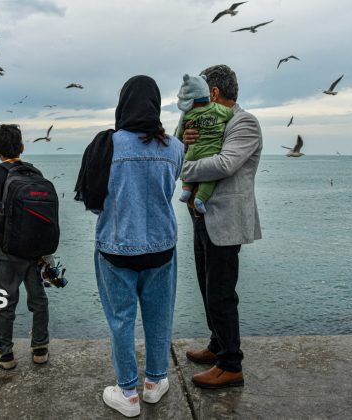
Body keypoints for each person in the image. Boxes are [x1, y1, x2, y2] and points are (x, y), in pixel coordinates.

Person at [75, 75, 183, 417]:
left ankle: (127, 393)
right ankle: (154, 384)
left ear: (123, 103)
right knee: (159, 317)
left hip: (115, 248)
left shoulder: (106, 145)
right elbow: (170, 186)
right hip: (161, 248)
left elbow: (93, 203)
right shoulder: (175, 148)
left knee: (121, 320)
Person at [180, 65, 262, 388]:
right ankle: (217, 345)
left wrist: (184, 166)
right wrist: (187, 141)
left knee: (221, 293)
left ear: (212, 93)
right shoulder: (208, 120)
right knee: (206, 286)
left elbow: (226, 163)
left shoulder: (245, 123)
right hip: (203, 217)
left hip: (225, 222)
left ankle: (231, 364)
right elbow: (202, 150)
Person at [0, 124, 50, 369]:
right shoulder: (34, 173)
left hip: (7, 251)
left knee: (6, 301)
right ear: (22, 147)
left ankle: (4, 352)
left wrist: (11, 230)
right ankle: (40, 348)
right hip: (35, 249)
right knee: (38, 298)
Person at [175, 73, 234, 214]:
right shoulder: (220, 111)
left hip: (192, 155)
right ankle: (200, 198)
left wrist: (183, 169)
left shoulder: (188, 115)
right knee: (209, 180)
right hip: (209, 153)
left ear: (214, 92)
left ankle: (185, 191)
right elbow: (230, 114)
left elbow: (223, 166)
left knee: (197, 165)